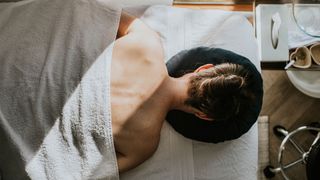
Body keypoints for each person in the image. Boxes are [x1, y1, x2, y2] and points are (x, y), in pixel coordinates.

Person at [112, 12, 255, 172]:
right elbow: (90, 173)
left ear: (204, 68)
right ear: (203, 115)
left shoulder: (148, 41)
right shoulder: (144, 144)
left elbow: (99, 14)